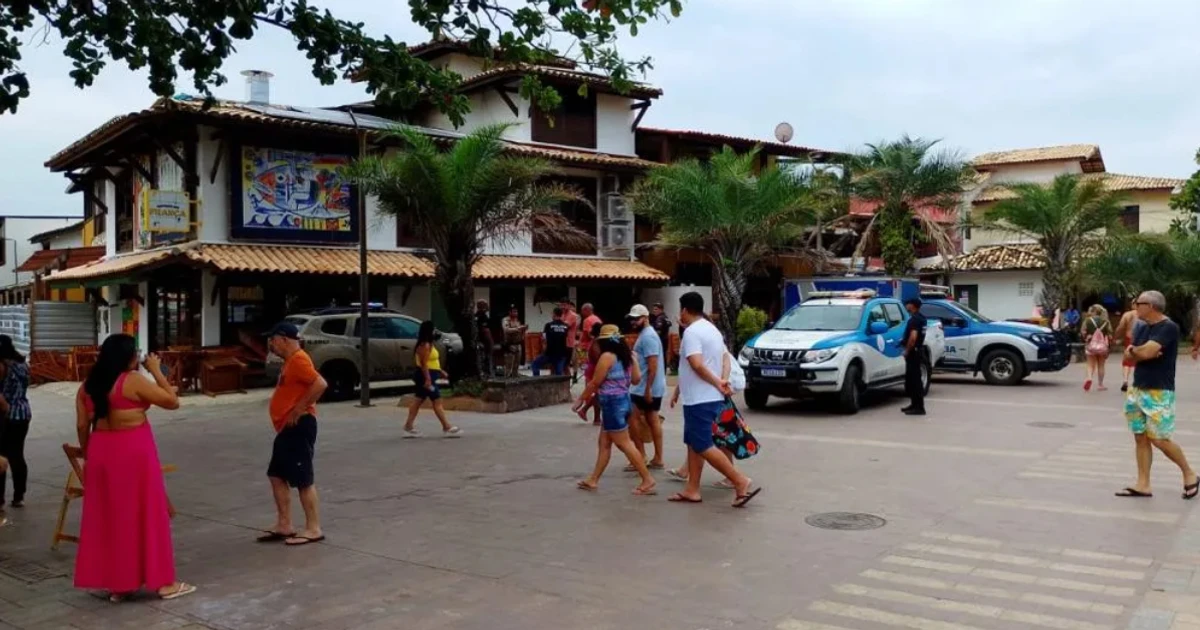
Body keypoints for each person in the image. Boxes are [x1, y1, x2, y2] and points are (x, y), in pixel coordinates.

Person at [73, 334, 194, 601]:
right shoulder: (132, 380)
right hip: (133, 452)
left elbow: (83, 426)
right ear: (128, 356)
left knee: (112, 519)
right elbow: (172, 401)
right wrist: (155, 370)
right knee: (147, 513)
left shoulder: (88, 386)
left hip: (101, 451)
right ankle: (164, 583)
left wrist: (88, 455)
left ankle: (120, 585)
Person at [668, 292, 761, 508]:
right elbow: (721, 359)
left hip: (700, 398)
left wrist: (718, 382)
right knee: (693, 443)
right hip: (707, 396)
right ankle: (692, 489)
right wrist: (720, 381)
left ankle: (740, 480)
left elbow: (697, 364)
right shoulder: (712, 330)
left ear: (684, 310)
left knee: (702, 445)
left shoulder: (691, 332)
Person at [1116, 291, 1199, 500]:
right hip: (1137, 389)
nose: (1135, 305)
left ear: (1151, 306)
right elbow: (1132, 353)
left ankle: (1190, 474)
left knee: (1160, 439)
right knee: (1140, 437)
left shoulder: (1168, 327)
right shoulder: (1141, 326)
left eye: (1138, 303)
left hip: (1159, 391)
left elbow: (1145, 353)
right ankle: (1143, 484)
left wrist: (1139, 351)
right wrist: (1138, 351)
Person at [260, 322, 327, 546]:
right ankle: (285, 523)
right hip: (286, 429)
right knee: (276, 474)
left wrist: (298, 409)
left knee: (303, 478)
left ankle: (313, 528)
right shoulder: (290, 362)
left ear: (284, 339)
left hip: (299, 426)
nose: (271, 344)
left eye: (273, 339)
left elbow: (320, 383)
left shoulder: (298, 359)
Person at [574, 325, 656, 496]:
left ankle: (647, 479)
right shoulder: (627, 356)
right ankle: (593, 479)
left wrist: (580, 400)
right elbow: (636, 380)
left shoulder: (607, 357)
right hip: (624, 400)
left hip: (612, 404)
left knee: (624, 443)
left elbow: (595, 383)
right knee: (604, 443)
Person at [404, 321, 462, 438]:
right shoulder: (424, 345)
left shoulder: (429, 344)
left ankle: (408, 426)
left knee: (418, 401)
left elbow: (432, 361)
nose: (435, 331)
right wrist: (428, 379)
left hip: (430, 375)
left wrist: (440, 371)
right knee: (436, 400)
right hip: (425, 377)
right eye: (433, 329)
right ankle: (446, 426)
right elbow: (424, 364)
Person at [628, 304, 666, 469]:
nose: (634, 322)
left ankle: (641, 455)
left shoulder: (648, 336)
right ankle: (655, 457)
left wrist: (648, 388)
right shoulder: (646, 335)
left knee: (632, 419)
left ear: (646, 318)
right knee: (652, 419)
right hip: (646, 385)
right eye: (633, 319)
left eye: (637, 319)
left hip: (644, 386)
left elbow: (653, 365)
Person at [0, 335, 31, 509]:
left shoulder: (4, 366)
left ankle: (0, 498)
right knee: (17, 455)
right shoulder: (22, 365)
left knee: (1, 456)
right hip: (23, 413)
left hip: (6, 415)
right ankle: (19, 496)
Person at [572, 322, 603, 424]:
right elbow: (598, 357)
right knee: (599, 394)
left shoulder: (596, 341)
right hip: (595, 368)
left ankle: (593, 416)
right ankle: (588, 412)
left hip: (594, 368)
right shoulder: (597, 342)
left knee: (598, 393)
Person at [901, 298, 927, 416]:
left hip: (913, 353)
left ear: (912, 305)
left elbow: (913, 338)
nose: (906, 306)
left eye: (908, 304)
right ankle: (914, 404)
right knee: (913, 380)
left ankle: (919, 408)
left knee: (915, 381)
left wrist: (907, 350)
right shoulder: (921, 318)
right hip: (918, 351)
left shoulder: (915, 320)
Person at [1081, 304, 1112, 392]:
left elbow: (1083, 332)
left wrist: (1086, 337)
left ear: (1093, 311)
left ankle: (1089, 378)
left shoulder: (1087, 321)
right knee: (1101, 365)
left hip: (1091, 345)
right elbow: (1110, 334)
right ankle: (1100, 384)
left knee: (1090, 365)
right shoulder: (1106, 321)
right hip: (1102, 346)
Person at [532, 308, 571, 376]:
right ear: (561, 315)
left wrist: (544, 350)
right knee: (559, 374)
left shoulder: (548, 325)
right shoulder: (566, 326)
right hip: (561, 354)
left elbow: (544, 339)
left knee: (535, 364)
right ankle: (559, 386)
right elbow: (567, 340)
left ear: (554, 314)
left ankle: (537, 381)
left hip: (550, 353)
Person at [1115, 302, 1141, 392]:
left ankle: (1125, 380)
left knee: (1127, 361)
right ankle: (1136, 382)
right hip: (1141, 339)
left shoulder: (1127, 314)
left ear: (1133, 305)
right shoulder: (1144, 315)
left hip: (1129, 338)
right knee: (1138, 361)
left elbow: (1121, 327)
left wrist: (1117, 337)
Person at [501, 306, 526, 378]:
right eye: (514, 311)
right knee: (509, 365)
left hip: (518, 344)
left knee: (516, 364)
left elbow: (520, 332)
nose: (516, 313)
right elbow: (506, 330)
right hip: (510, 345)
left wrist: (523, 331)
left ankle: (515, 379)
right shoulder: (506, 320)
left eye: (516, 311)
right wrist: (518, 328)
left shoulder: (517, 321)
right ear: (510, 312)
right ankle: (507, 379)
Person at [561, 299, 581, 382]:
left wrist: (577, 340)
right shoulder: (562, 314)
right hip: (564, 340)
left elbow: (576, 328)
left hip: (573, 340)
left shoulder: (576, 316)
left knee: (574, 359)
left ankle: (575, 375)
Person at [475, 300, 495, 377]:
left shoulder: (482, 315)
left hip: (486, 339)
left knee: (488, 356)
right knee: (486, 356)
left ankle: (488, 372)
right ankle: (487, 373)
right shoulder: (480, 315)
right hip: (484, 339)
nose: (487, 306)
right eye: (485, 305)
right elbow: (482, 328)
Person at [651, 303, 673, 369]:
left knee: (659, 357)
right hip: (665, 340)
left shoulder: (659, 318)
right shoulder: (665, 317)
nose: (654, 311)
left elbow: (658, 331)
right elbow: (669, 324)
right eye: (653, 309)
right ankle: (663, 371)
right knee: (663, 356)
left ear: (661, 310)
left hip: (660, 340)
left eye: (656, 309)